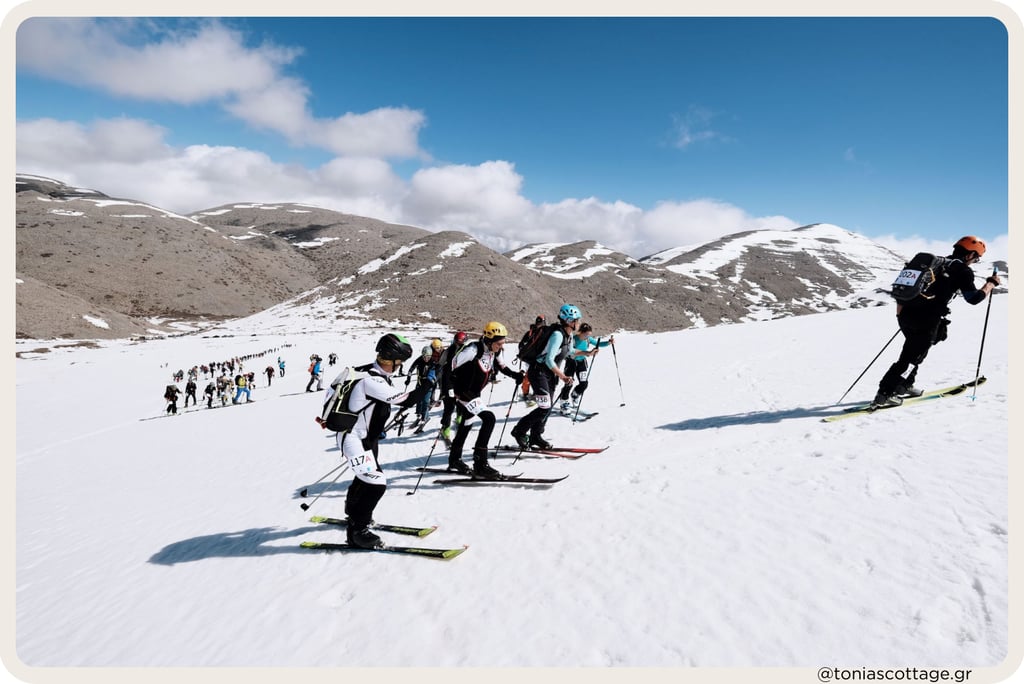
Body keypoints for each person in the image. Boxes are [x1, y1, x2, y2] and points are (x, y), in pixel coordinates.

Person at [872, 235, 1000, 407]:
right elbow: (974, 298)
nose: (974, 262)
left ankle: (905, 384)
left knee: (917, 351)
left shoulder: (936, 263)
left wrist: (900, 316)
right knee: (911, 357)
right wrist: (990, 284)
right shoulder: (962, 271)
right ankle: (885, 393)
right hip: (927, 320)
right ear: (970, 255)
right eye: (976, 258)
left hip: (905, 315)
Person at [331, 333, 428, 549]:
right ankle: (357, 531)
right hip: (353, 439)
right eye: (399, 362)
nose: (400, 366)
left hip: (366, 438)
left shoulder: (366, 370)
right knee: (375, 483)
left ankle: (353, 512)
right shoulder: (372, 380)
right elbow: (405, 400)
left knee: (366, 477)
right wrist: (428, 385)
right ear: (392, 360)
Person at [447, 322, 525, 477]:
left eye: (503, 342)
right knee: (489, 419)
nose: (501, 346)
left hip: (475, 393)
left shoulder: (494, 351)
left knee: (466, 425)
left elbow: (502, 367)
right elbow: (450, 367)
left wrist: (516, 375)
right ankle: (480, 463)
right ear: (489, 341)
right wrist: (449, 390)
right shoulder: (473, 350)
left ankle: (454, 460)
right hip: (464, 392)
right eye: (499, 343)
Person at [511, 304, 581, 449]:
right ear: (569, 321)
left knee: (546, 408)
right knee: (544, 407)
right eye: (576, 319)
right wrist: (563, 376)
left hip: (549, 375)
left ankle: (536, 436)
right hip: (538, 373)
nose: (578, 322)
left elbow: (570, 352)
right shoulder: (558, 335)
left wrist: (588, 353)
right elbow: (549, 359)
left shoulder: (569, 336)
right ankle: (519, 431)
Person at [556, 322, 615, 413]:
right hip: (571, 363)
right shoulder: (573, 339)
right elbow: (571, 351)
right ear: (581, 332)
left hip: (582, 363)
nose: (588, 337)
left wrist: (608, 342)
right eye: (586, 334)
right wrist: (587, 352)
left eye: (589, 335)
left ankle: (575, 395)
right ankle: (564, 403)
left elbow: (598, 344)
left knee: (584, 383)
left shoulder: (588, 339)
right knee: (569, 383)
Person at [437, 330, 469, 445]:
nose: (458, 344)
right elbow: (441, 366)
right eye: (457, 342)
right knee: (449, 406)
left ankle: (459, 417)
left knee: (461, 402)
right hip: (448, 381)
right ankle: (445, 428)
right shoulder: (449, 351)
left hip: (460, 381)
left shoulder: (467, 351)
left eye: (460, 343)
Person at [405, 344, 442, 434]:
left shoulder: (432, 362)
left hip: (428, 385)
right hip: (420, 383)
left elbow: (436, 372)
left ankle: (424, 417)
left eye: (428, 357)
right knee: (418, 400)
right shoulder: (419, 360)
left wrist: (433, 380)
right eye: (424, 356)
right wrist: (408, 378)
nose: (426, 358)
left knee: (425, 401)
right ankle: (419, 415)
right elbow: (411, 368)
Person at [516, 315, 547, 405]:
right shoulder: (531, 333)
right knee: (530, 376)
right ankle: (526, 393)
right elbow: (522, 344)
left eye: (541, 323)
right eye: (539, 323)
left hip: (539, 359)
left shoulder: (543, 332)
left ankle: (533, 393)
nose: (539, 325)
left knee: (535, 376)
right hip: (530, 359)